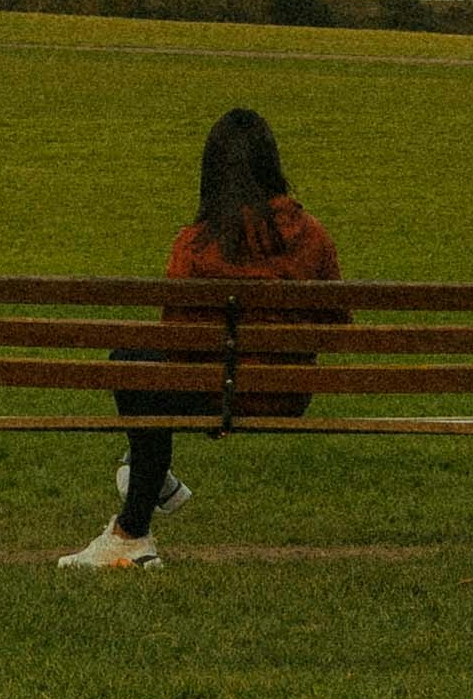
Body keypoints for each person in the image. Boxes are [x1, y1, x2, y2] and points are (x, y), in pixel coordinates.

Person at [63, 106, 337, 569]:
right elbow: (334, 325)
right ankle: (149, 495)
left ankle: (133, 529)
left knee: (131, 360)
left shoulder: (195, 244)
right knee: (139, 363)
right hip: (285, 396)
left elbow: (176, 339)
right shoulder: (313, 237)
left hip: (212, 395)